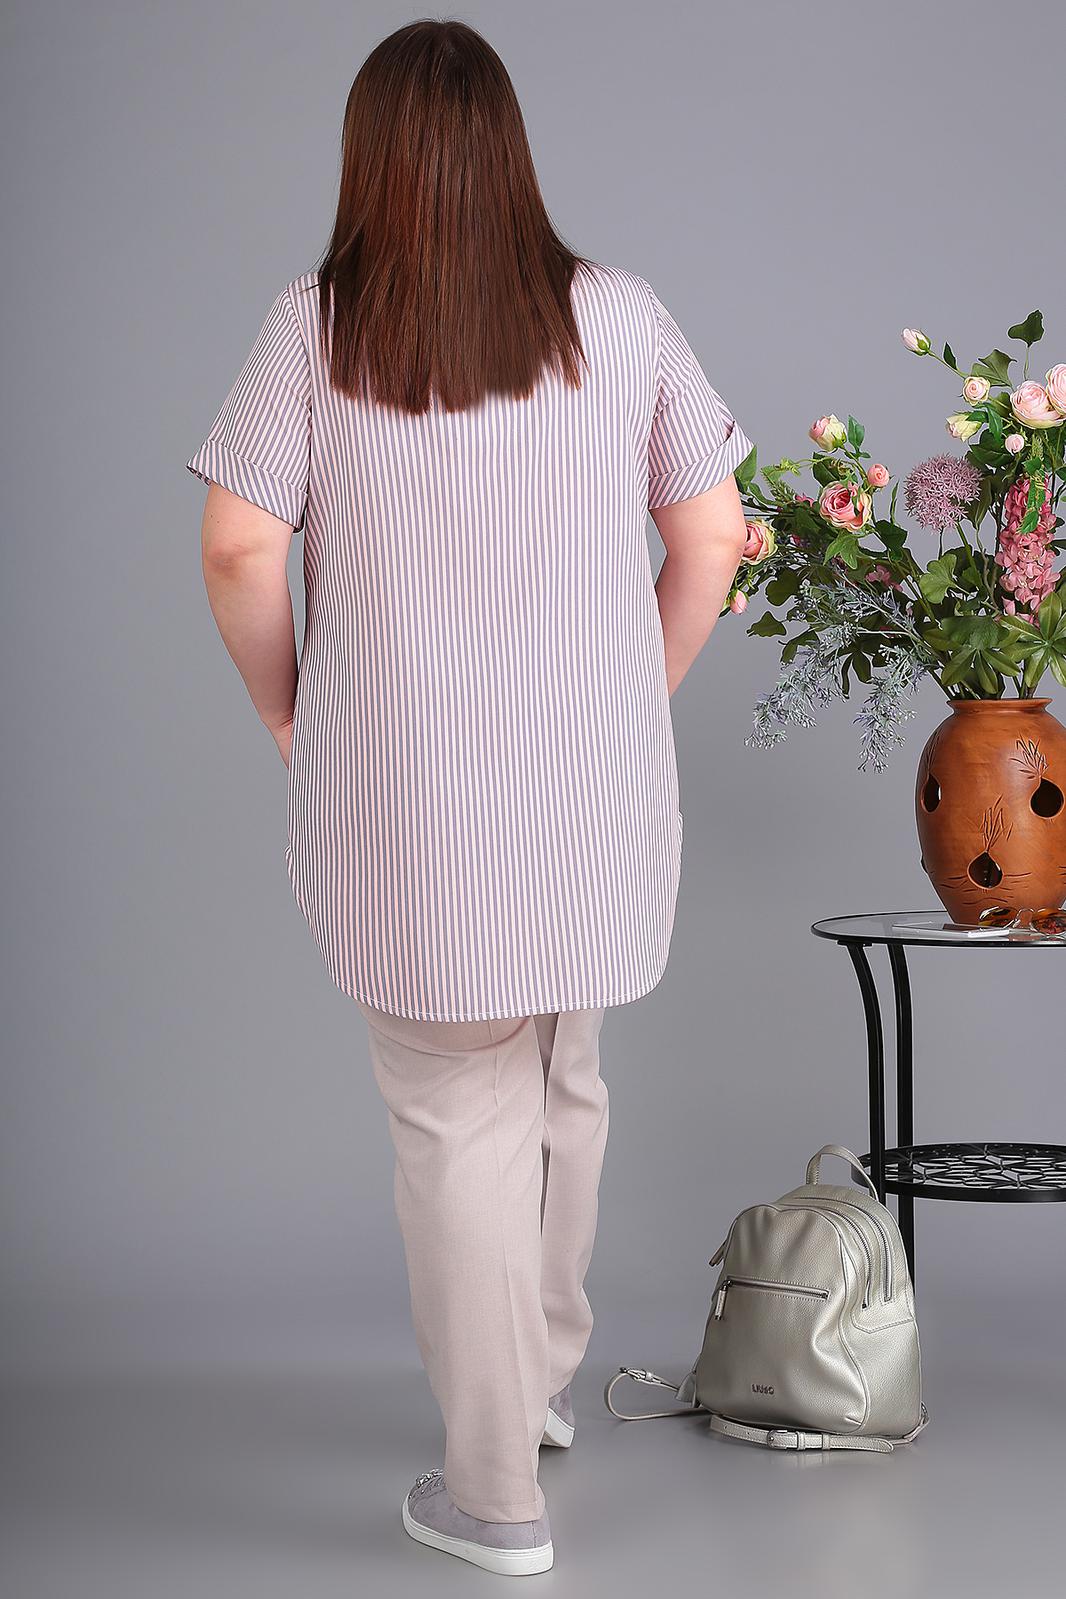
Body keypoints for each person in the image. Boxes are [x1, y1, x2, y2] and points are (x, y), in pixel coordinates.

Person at [184, 17, 751, 1577]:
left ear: (367, 160)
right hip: (587, 788)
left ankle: (493, 1491)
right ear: (510, 152)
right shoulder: (618, 316)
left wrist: (283, 703)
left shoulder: (314, 327)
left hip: (412, 798)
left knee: (458, 1117)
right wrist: (635, 691)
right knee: (563, 1074)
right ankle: (537, 1382)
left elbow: (238, 547)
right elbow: (713, 533)